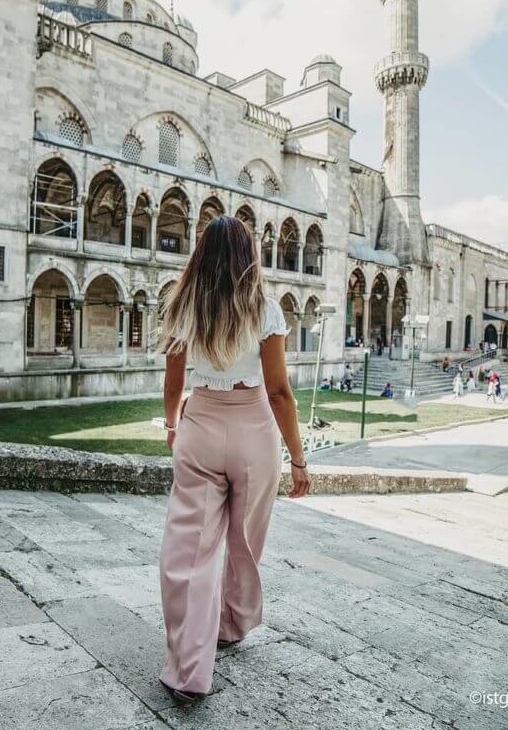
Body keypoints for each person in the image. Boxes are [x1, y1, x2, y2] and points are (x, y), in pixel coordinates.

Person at [158, 215, 309, 703]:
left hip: (200, 425)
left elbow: (173, 384)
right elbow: (280, 392)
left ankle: (187, 669)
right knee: (245, 541)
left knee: (190, 550)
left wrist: (172, 426)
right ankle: (231, 624)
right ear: (249, 255)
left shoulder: (183, 304)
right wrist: (299, 460)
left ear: (202, 252)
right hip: (254, 431)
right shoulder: (264, 309)